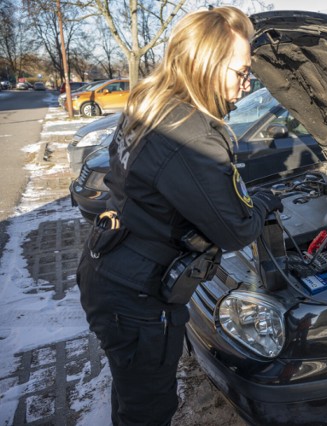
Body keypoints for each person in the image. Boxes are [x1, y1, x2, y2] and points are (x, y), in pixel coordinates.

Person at [76, 7, 282, 425]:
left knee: (132, 393)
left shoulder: (151, 105)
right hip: (137, 296)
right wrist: (264, 203)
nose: (246, 85)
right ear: (206, 64)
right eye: (241, 73)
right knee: (149, 410)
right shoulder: (191, 135)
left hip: (110, 267)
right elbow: (236, 229)